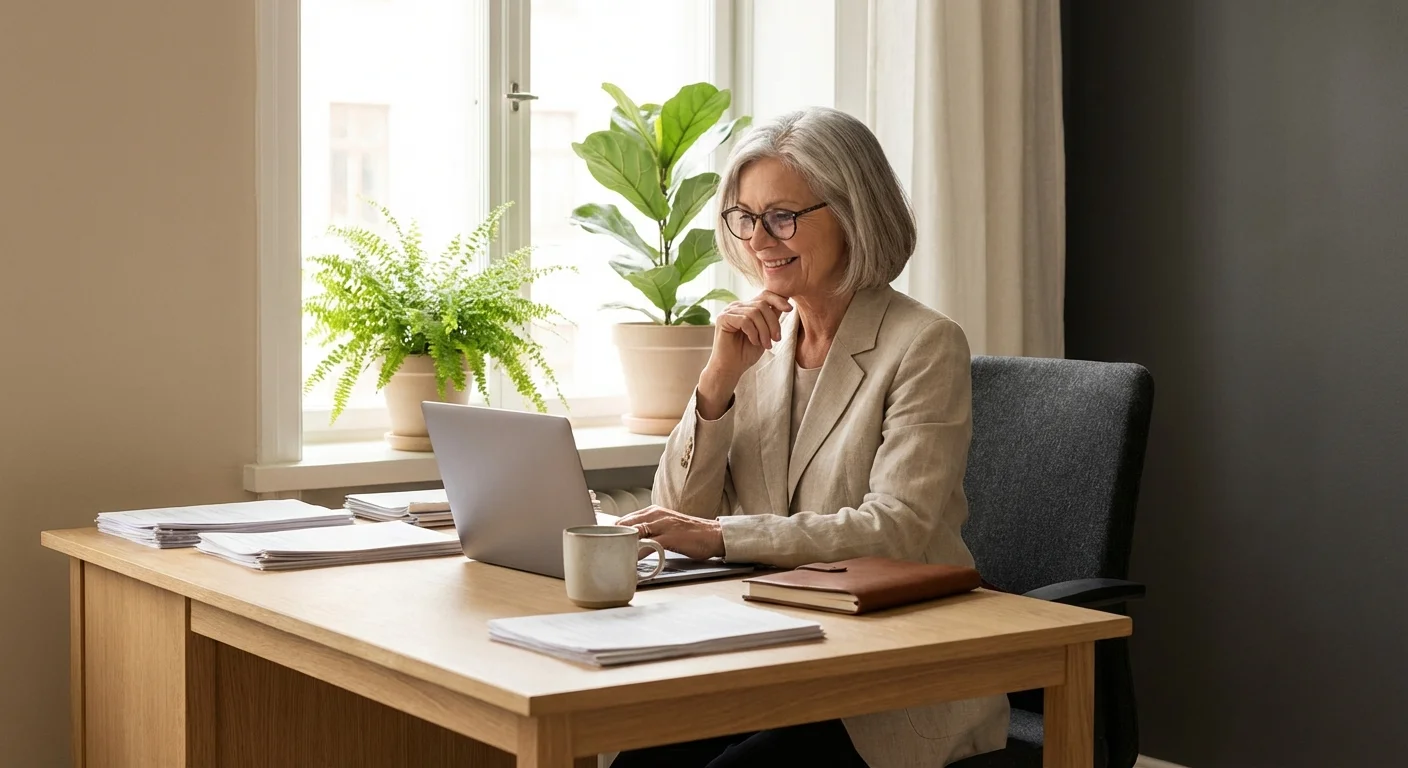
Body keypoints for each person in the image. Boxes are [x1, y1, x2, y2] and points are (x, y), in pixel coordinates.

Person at [611, 107, 1009, 767]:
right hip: (770, 650)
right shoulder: (757, 346)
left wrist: (722, 538)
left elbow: (896, 530)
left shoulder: (923, 344)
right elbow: (682, 513)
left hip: (882, 682)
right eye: (745, 217)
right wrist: (716, 384)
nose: (760, 239)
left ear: (855, 212)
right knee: (634, 759)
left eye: (783, 215)